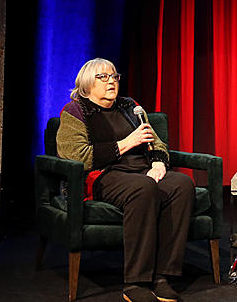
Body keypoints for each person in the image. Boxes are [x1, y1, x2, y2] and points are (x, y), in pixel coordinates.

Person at [56, 58, 194, 302]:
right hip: (103, 174)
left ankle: (162, 276)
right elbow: (77, 156)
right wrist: (126, 143)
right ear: (87, 84)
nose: (112, 81)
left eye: (115, 76)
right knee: (143, 188)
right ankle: (136, 282)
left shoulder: (130, 107)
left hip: (141, 170)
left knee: (181, 185)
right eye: (103, 77)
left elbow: (155, 140)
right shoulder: (75, 112)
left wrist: (159, 162)